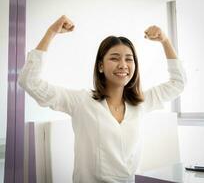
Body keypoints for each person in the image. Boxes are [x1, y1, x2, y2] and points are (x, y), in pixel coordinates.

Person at [18, 15, 186, 183]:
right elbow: (30, 81)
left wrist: (165, 41)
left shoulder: (142, 102)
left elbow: (179, 83)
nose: (123, 65)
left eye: (129, 59)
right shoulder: (81, 102)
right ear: (100, 66)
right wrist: (51, 32)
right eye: (114, 58)